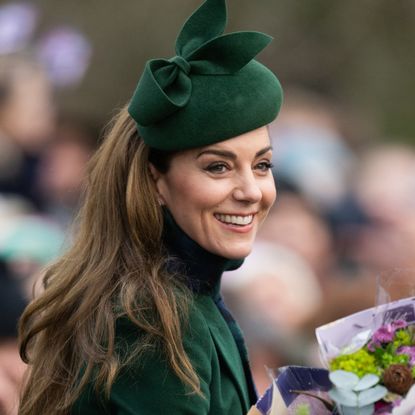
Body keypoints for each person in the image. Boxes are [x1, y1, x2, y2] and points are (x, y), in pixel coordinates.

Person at [18, 0, 283, 414]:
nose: (251, 191)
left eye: (262, 165)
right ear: (154, 180)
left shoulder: (183, 296)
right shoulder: (151, 318)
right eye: (218, 167)